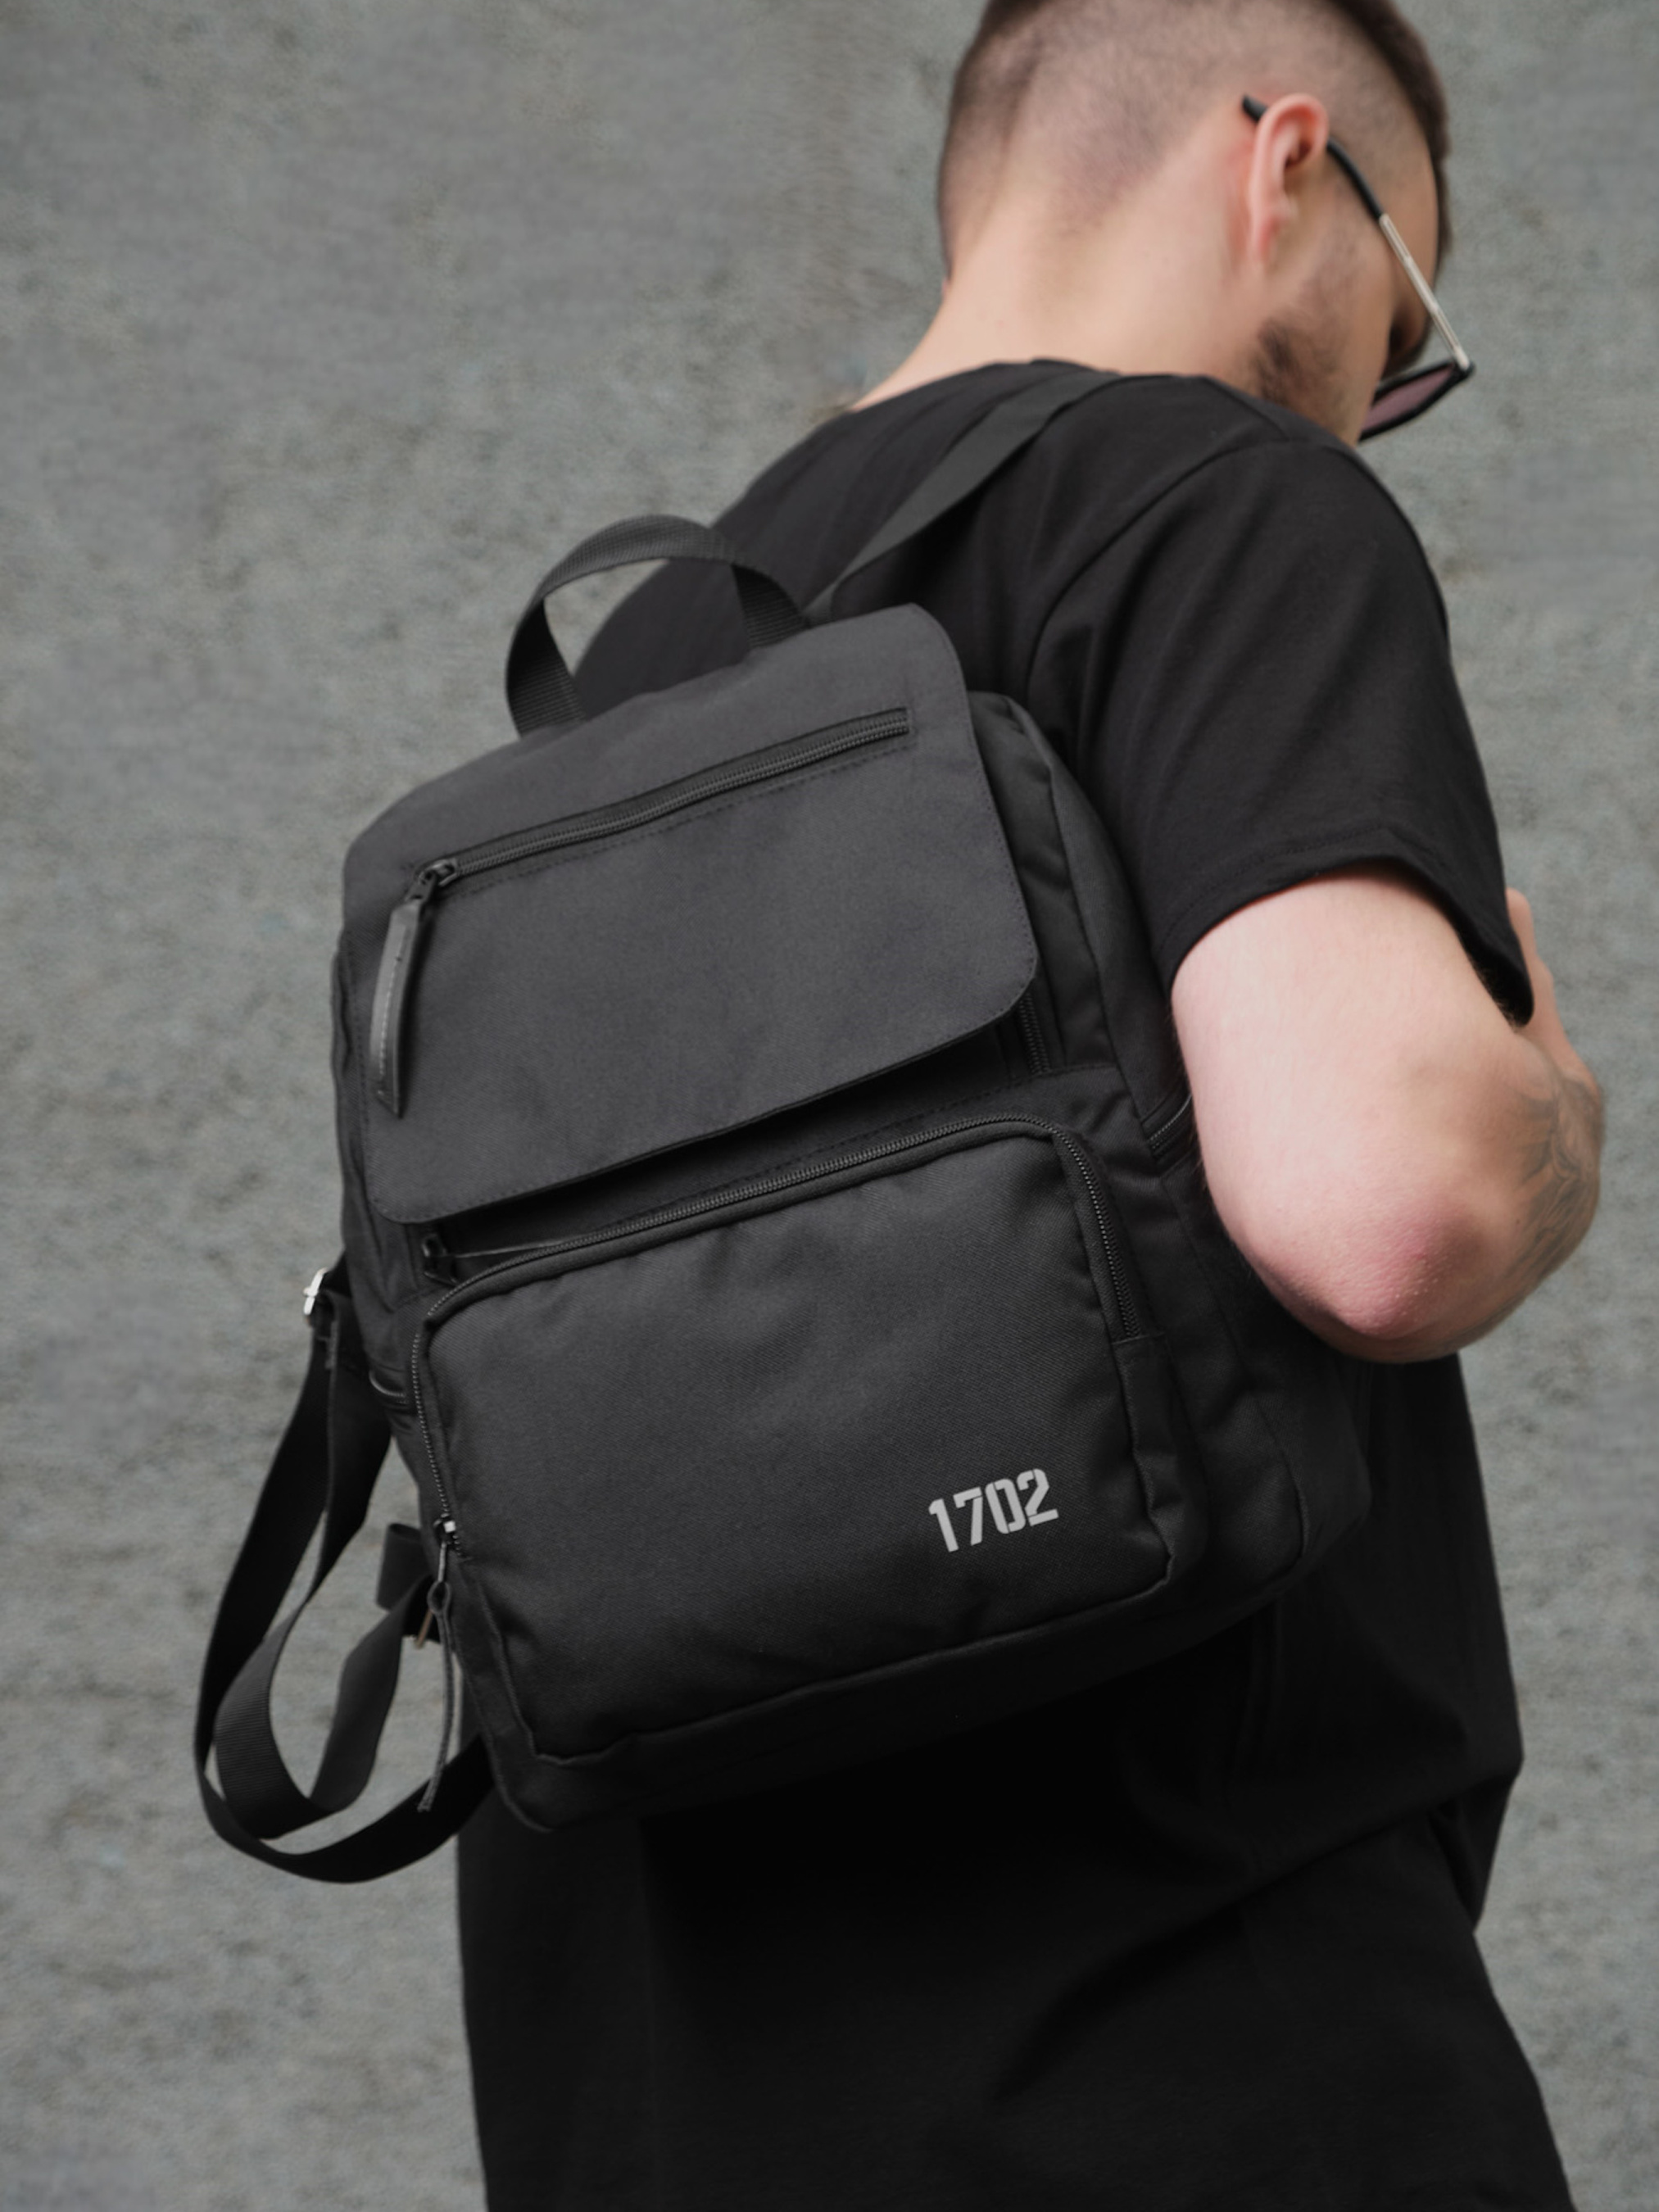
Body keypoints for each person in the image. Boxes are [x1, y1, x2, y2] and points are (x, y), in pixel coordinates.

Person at [457, 2, 1603, 2204]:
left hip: (660, 2098)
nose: (1372, 402)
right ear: (1285, 165)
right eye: (1399, 327)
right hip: (1182, 2051)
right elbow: (1387, 1207)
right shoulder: (1210, 499)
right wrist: (1546, 1112)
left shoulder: (627, 673)